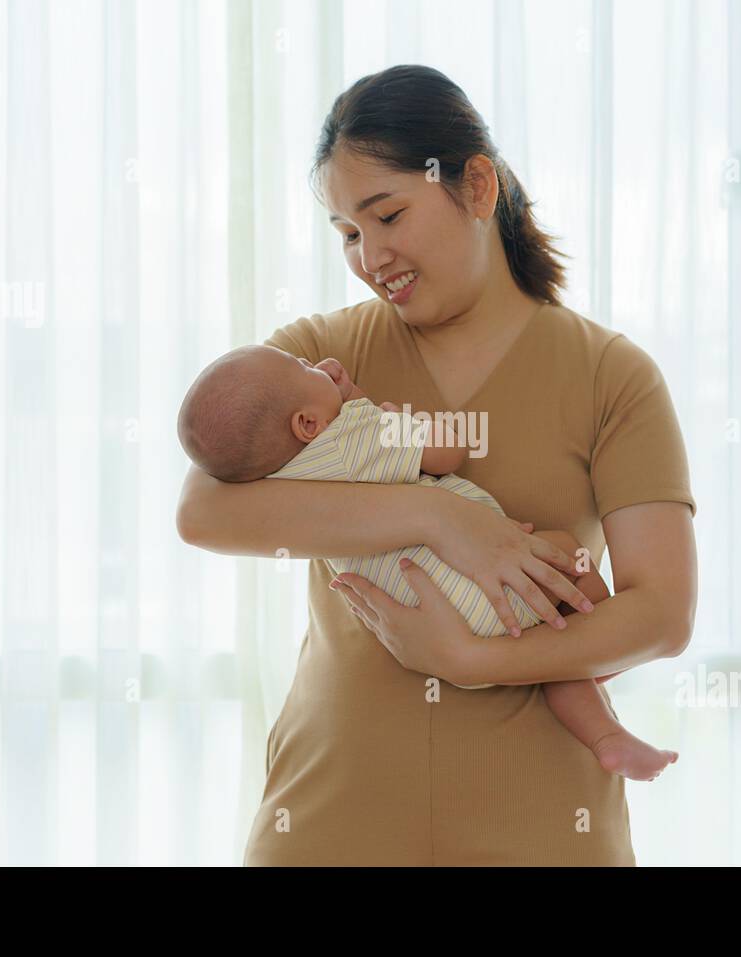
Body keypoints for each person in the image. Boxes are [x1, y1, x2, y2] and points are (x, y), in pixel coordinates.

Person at [176, 64, 698, 865]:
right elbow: (203, 513)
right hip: (330, 822)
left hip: (542, 831)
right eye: (349, 234)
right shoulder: (318, 360)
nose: (370, 254)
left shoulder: (611, 376)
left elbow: (661, 614)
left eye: (388, 215)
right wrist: (436, 515)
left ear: (478, 185)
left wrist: (472, 660)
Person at [174, 345, 681, 779]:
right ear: (307, 423)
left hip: (411, 609)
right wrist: (387, 416)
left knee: (551, 625)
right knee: (570, 564)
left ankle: (600, 727)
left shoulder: (276, 477)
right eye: (307, 368)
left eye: (389, 221)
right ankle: (598, 724)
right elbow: (447, 453)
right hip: (481, 590)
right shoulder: (355, 432)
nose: (323, 364)